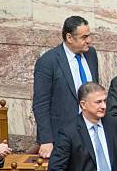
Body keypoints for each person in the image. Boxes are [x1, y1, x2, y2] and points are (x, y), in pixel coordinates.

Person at [33, 15, 99, 159]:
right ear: (69, 38)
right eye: (84, 37)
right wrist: (46, 140)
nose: (89, 40)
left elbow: (95, 92)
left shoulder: (91, 54)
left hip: (91, 130)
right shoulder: (48, 62)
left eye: (89, 35)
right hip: (62, 136)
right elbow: (40, 104)